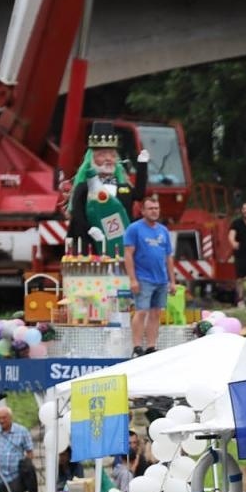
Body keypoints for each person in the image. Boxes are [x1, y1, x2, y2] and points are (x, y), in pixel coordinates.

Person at [67, 122, 148, 255]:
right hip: (90, 250)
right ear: (92, 158)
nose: (108, 159)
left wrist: (143, 165)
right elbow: (77, 215)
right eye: (102, 155)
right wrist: (90, 229)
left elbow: (139, 195)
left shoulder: (123, 188)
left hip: (120, 249)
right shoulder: (84, 188)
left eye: (111, 154)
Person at [124, 194, 174, 357]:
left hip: (161, 279)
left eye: (156, 208)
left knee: (156, 313)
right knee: (141, 311)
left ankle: (151, 346)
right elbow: (128, 254)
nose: (154, 211)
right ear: (143, 211)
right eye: (150, 208)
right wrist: (132, 279)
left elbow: (168, 257)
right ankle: (137, 346)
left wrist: (172, 281)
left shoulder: (163, 230)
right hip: (143, 278)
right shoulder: (134, 229)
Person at [0, 405, 35, 492]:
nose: (1, 421)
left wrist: (25, 468)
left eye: (4, 418)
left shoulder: (22, 431)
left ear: (10, 418)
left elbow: (30, 453)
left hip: (15, 476)